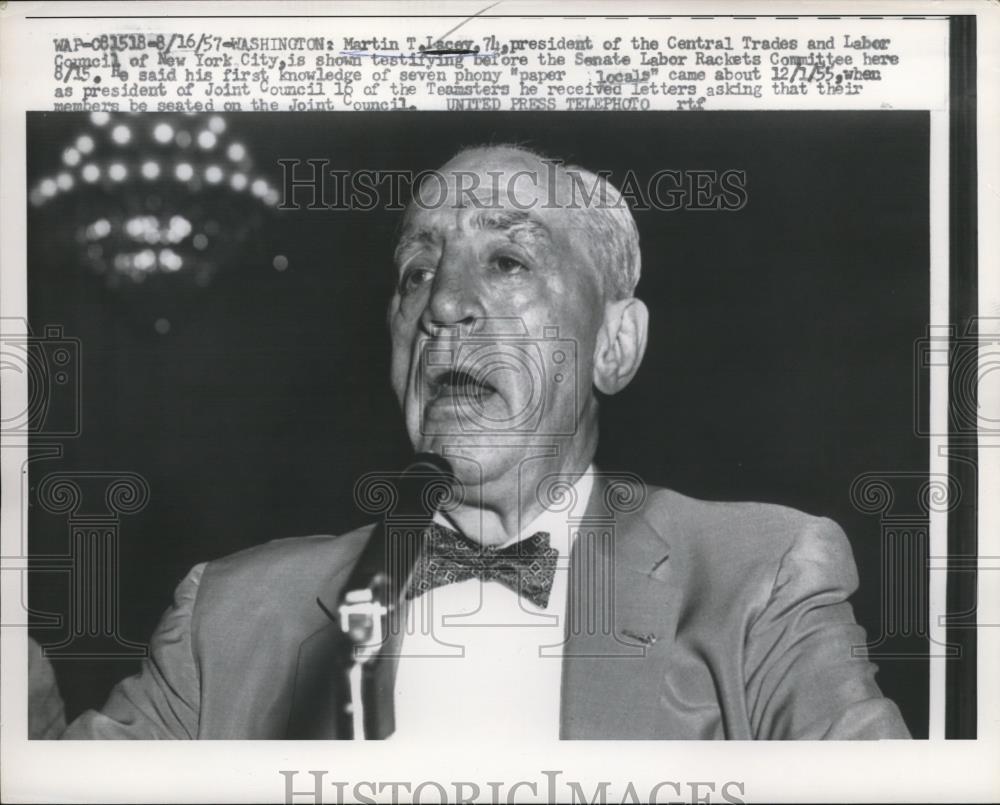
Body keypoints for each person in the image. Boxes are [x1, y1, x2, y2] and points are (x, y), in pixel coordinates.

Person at [61, 145, 910, 740]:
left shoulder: (760, 580)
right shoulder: (229, 618)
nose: (443, 306)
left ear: (615, 343)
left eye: (507, 260)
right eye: (417, 272)